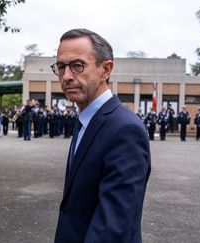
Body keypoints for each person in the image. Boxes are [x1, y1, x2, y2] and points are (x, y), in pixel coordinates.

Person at [51, 28, 151, 243]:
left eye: (77, 66)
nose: (66, 76)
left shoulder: (125, 129)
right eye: (61, 67)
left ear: (105, 70)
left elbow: (113, 226)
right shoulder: (85, 120)